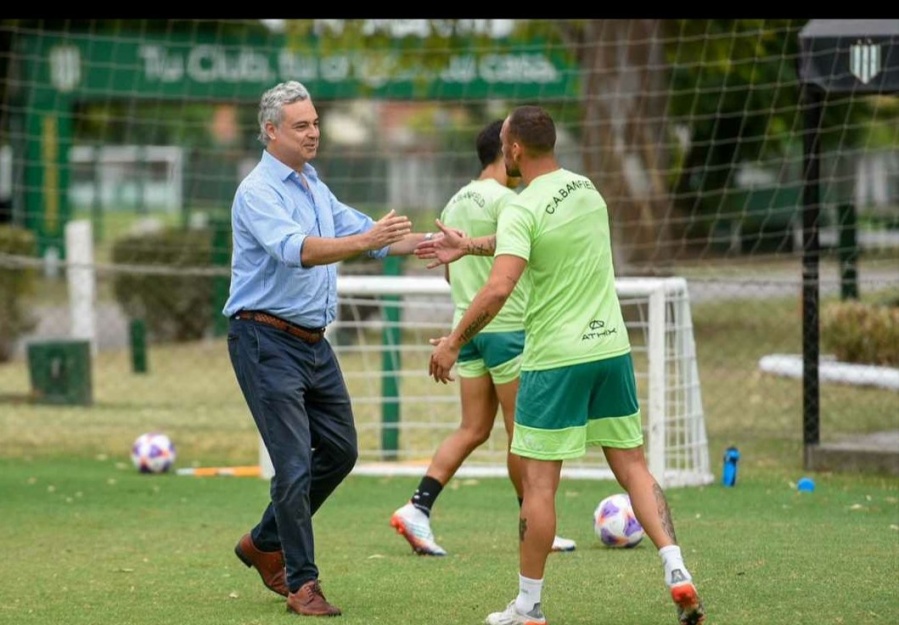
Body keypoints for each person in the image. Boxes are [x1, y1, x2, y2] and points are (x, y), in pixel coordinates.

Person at [419, 105, 706, 625]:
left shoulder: (520, 207)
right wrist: (470, 245)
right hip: (611, 351)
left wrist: (454, 342)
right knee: (633, 466)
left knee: (538, 486)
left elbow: (500, 287)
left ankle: (528, 607)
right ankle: (677, 568)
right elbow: (531, 240)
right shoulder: (587, 190)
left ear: (513, 149)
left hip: (555, 361)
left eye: (504, 143)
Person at [223, 80, 434, 617]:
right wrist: (366, 241)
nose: (313, 132)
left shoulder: (313, 185)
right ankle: (303, 585)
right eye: (301, 125)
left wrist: (437, 244)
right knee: (293, 466)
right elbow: (298, 251)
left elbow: (373, 236)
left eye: (315, 122)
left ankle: (262, 542)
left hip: (312, 344)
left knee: (341, 452)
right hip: (263, 338)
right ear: (271, 131)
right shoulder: (257, 192)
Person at [389, 120, 576, 557]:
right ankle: (536, 524)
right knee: (522, 435)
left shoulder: (455, 200)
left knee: (472, 428)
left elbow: (450, 270)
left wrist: (460, 329)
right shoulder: (510, 201)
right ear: (505, 151)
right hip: (507, 329)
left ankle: (417, 507)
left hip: (468, 330)